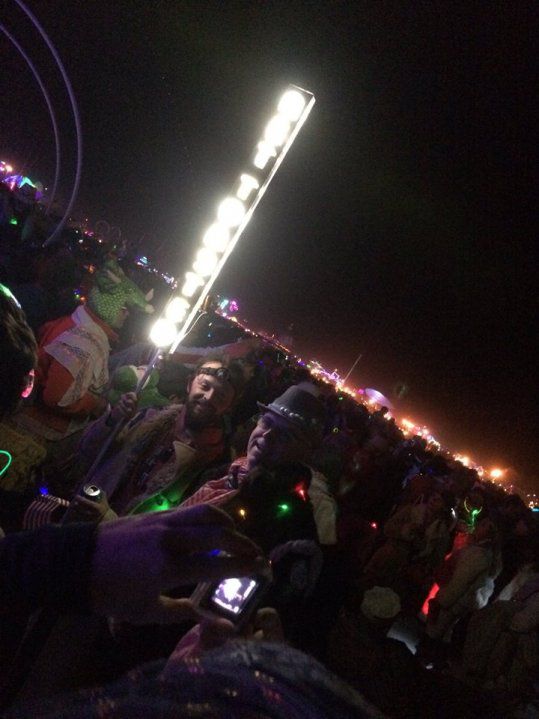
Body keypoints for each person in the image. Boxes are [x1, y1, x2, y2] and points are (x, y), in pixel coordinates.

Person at [75, 355, 245, 514]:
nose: (209, 397)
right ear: (189, 384)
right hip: (83, 516)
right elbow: (87, 451)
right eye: (205, 386)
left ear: (229, 406)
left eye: (221, 396)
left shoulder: (214, 464)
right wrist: (113, 419)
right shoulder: (148, 418)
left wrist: (109, 519)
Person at [178, 384, 337, 551]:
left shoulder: (294, 521)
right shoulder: (223, 473)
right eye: (267, 422)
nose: (268, 435)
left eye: (285, 435)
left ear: (305, 453)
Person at [17, 256, 154, 444]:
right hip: (39, 433)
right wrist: (96, 404)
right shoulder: (85, 341)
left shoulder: (77, 322)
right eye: (124, 308)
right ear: (109, 304)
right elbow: (56, 397)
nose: (127, 314)